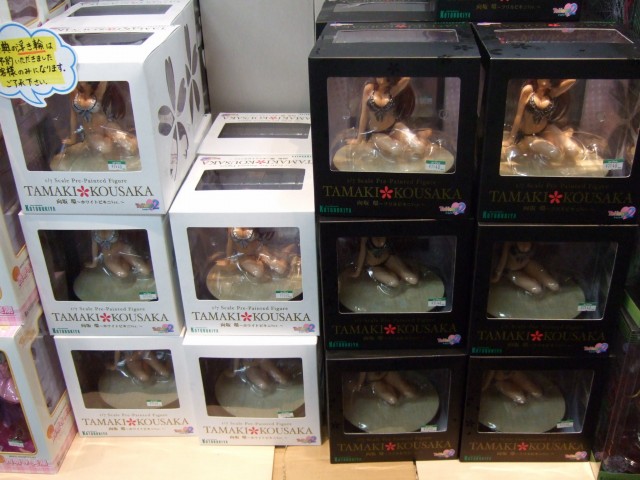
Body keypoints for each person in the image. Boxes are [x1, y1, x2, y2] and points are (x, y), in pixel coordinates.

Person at [504, 78, 583, 166]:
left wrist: (555, 83)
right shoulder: (528, 90)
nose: (545, 80)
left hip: (545, 130)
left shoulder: (552, 92)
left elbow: (572, 80)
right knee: (554, 153)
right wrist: (511, 138)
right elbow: (518, 115)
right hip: (528, 135)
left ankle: (562, 145)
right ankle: (529, 151)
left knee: (573, 150)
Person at [349, 77, 432, 160]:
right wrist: (359, 140)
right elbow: (364, 115)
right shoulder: (369, 89)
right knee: (396, 150)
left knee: (419, 147)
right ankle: (416, 136)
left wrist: (394, 73)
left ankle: (418, 137)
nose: (381, 80)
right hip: (378, 133)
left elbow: (407, 79)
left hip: (394, 127)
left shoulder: (392, 90)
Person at [56, 81, 138, 163]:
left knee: (127, 143)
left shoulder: (98, 91)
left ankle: (138, 151)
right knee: (105, 147)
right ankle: (115, 161)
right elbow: (73, 116)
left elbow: (104, 79)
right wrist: (73, 138)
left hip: (106, 125)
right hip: (93, 132)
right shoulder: (73, 92)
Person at [491, 242, 559, 296]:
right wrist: (497, 274)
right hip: (512, 270)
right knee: (537, 289)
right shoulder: (509, 243)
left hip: (527, 264)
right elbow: (502, 260)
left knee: (554, 286)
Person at [350, 237, 418, 290]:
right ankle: (391, 274)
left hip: (388, 259)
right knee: (394, 282)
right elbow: (362, 253)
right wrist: (358, 271)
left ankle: (401, 271)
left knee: (413, 279)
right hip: (373, 266)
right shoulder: (365, 235)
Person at [86, 230, 152, 279]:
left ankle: (151, 260)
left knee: (146, 271)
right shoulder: (93, 227)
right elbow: (94, 245)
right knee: (122, 274)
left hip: (122, 249)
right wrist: (94, 262)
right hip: (109, 255)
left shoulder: (114, 220)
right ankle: (127, 263)